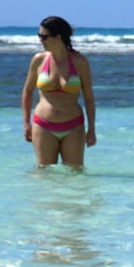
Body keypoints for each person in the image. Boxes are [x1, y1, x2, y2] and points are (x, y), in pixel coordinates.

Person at [20, 15, 96, 168]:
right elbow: (27, 92)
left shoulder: (80, 62)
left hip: (74, 126)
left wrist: (91, 129)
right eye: (39, 36)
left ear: (58, 37)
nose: (40, 40)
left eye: (44, 36)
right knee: (44, 173)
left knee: (75, 174)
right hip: (43, 125)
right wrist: (26, 123)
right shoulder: (38, 60)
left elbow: (88, 98)